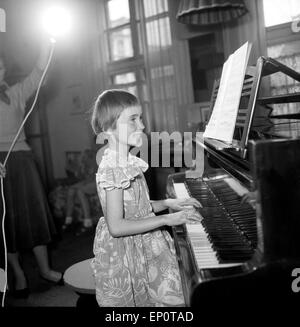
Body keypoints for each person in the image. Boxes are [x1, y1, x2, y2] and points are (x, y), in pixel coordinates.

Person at [90, 89, 202, 307]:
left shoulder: (128, 161)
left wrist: (169, 203)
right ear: (108, 127)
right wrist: (167, 219)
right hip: (125, 253)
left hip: (146, 242)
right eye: (133, 119)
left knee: (177, 296)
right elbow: (117, 226)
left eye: (140, 118)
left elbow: (138, 208)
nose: (141, 126)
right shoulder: (112, 167)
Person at [0, 39, 63, 299]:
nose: (0, 70)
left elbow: (39, 72)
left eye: (2, 66)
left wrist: (47, 41)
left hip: (23, 161)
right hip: (0, 166)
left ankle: (45, 270)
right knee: (6, 225)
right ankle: (18, 274)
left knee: (34, 216)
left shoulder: (15, 92)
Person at [63, 149, 98, 234]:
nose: (83, 158)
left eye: (85, 157)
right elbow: (80, 177)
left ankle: (87, 223)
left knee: (79, 191)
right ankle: (69, 221)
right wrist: (78, 168)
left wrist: (83, 183)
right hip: (87, 182)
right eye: (83, 157)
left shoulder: (95, 161)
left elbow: (93, 178)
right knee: (71, 190)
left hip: (97, 181)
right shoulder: (84, 164)